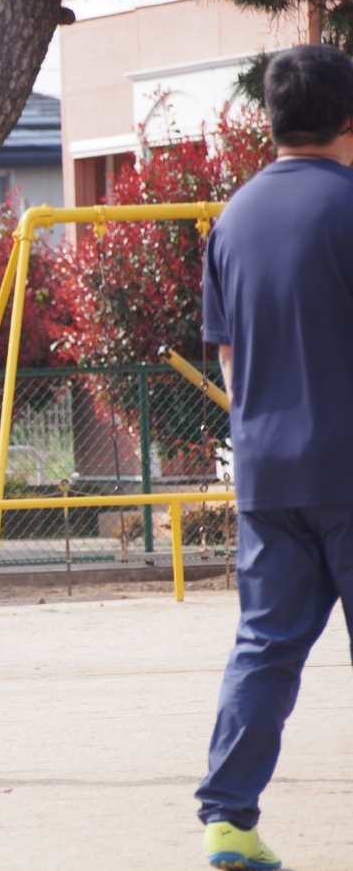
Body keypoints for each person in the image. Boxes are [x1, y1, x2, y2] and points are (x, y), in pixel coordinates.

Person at [196, 43, 353, 871]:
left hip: (267, 473)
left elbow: (229, 361)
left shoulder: (233, 218)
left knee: (263, 648)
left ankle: (228, 820)